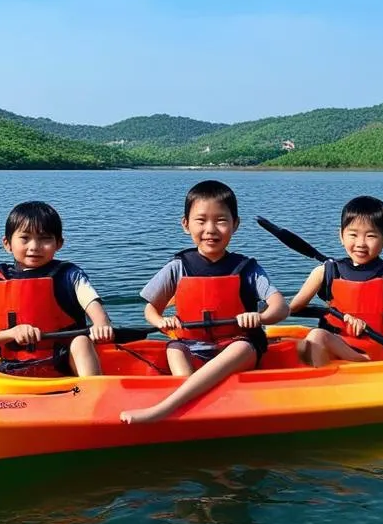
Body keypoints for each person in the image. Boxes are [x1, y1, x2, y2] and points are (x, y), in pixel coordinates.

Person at [120, 179, 288, 424]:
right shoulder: (177, 267)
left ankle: (165, 409)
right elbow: (151, 308)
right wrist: (161, 321)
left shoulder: (247, 269)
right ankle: (191, 405)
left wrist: (260, 317)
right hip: (192, 347)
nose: (210, 229)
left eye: (221, 220)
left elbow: (281, 307)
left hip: (238, 347)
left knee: (240, 347)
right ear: (186, 225)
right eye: (201, 220)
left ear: (235, 225)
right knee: (174, 348)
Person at [0, 200, 114, 376]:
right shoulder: (0, 282)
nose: (34, 247)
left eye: (45, 239)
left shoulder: (69, 276)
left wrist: (101, 325)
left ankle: (93, 393)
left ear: (59, 243)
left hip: (63, 364)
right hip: (13, 369)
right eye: (25, 238)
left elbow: (95, 310)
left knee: (80, 340)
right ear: (7, 244)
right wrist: (12, 333)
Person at [288, 195, 383, 366]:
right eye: (353, 234)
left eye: (370, 236)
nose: (361, 243)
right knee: (300, 345)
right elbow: (291, 309)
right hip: (340, 345)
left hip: (380, 354)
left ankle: (320, 383)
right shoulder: (325, 271)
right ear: (341, 236)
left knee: (316, 336)